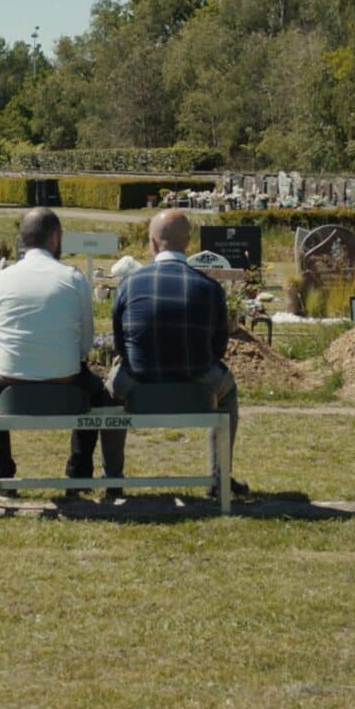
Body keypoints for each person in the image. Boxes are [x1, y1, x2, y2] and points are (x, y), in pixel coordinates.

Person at [110, 208, 249, 500]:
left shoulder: (129, 285)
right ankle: (218, 477)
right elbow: (218, 348)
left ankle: (113, 477)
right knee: (228, 392)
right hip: (197, 377)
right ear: (188, 243)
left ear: (152, 243)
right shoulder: (210, 288)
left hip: (138, 377)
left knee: (107, 397)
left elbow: (120, 344)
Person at [0, 208, 120, 487]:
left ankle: (3, 470)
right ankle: (79, 472)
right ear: (55, 238)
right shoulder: (74, 279)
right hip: (66, 382)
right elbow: (85, 344)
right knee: (98, 396)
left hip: (10, 382)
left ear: (21, 240)